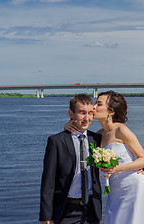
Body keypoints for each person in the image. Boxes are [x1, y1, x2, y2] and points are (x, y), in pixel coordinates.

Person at [67, 91, 144, 224]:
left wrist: (118, 168)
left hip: (134, 188)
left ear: (111, 111)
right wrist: (68, 125)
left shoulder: (121, 130)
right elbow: (78, 134)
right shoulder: (98, 135)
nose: (93, 107)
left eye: (98, 104)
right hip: (115, 192)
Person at [39, 94, 102, 224]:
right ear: (71, 113)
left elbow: (118, 144)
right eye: (82, 113)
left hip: (92, 210)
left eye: (90, 113)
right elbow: (48, 181)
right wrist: (45, 216)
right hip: (66, 211)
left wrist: (140, 166)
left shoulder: (97, 139)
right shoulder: (57, 142)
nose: (87, 118)